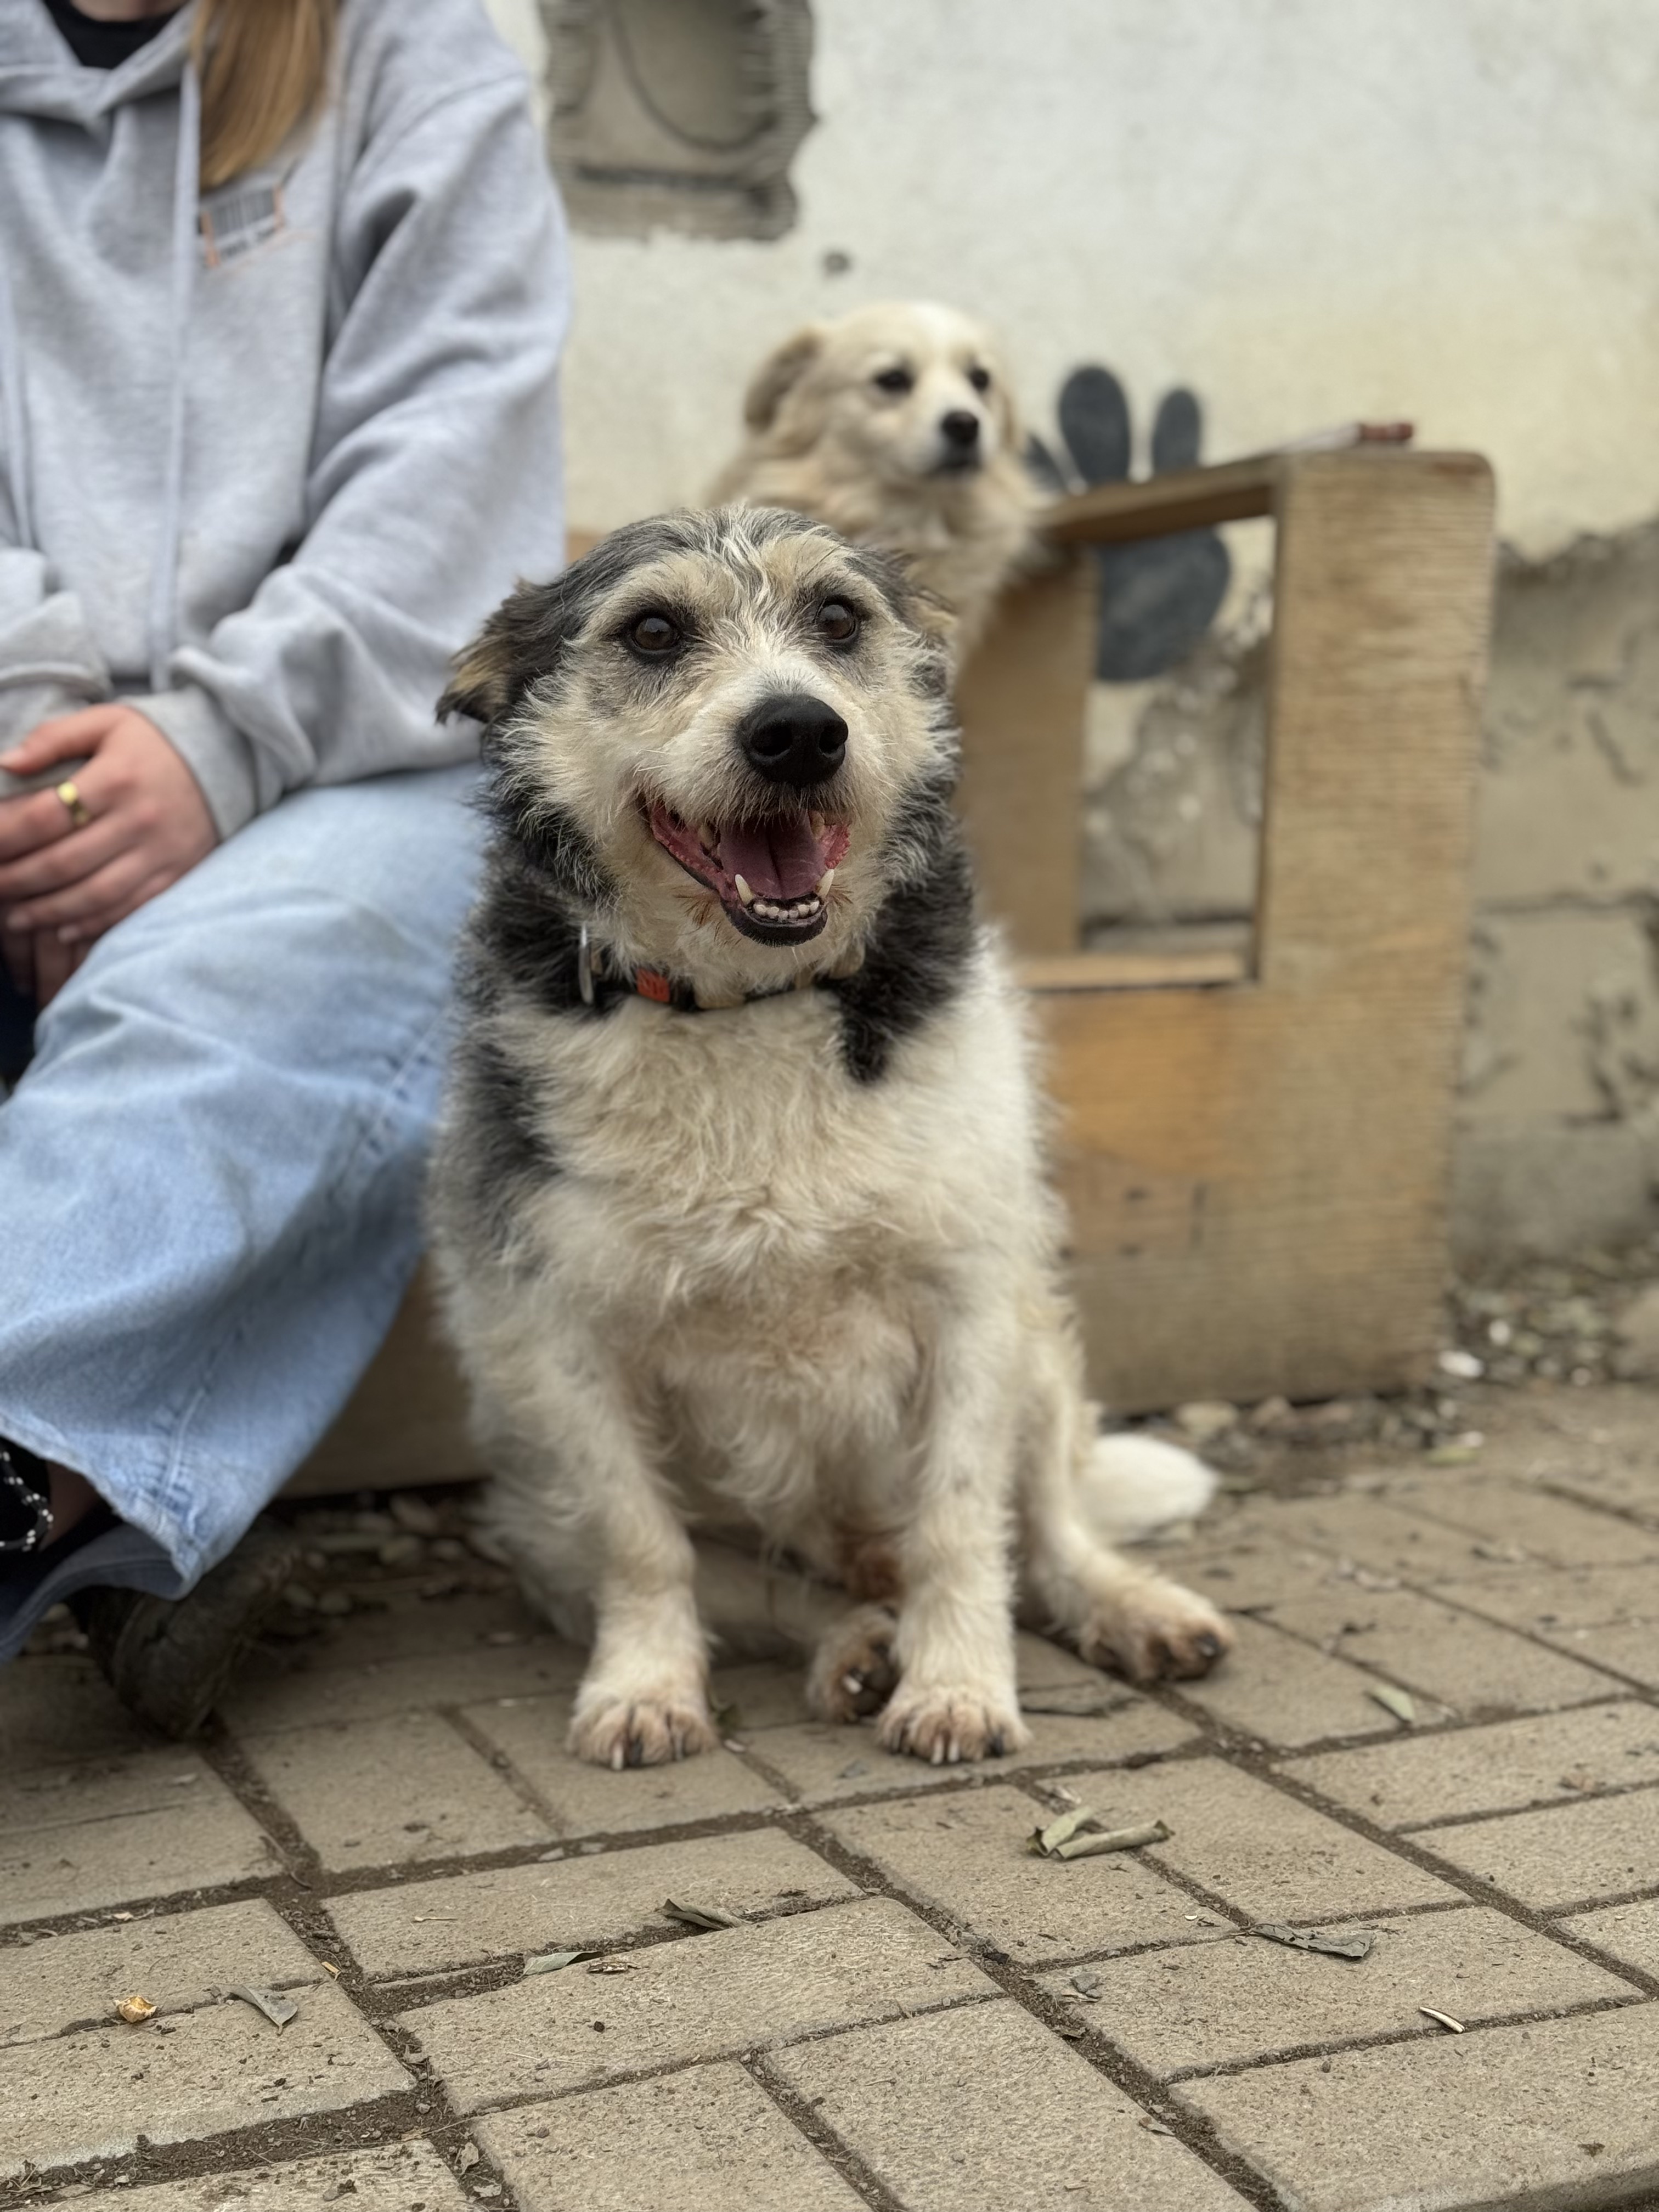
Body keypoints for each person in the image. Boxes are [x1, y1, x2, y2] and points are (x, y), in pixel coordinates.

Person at [0, 0, 568, 1726]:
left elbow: (454, 483)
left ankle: (35, 1474)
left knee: (255, 967)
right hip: (24, 774)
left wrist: (213, 747)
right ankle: (108, 1512)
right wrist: (56, 785)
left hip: (364, 751)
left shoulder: (409, 50)